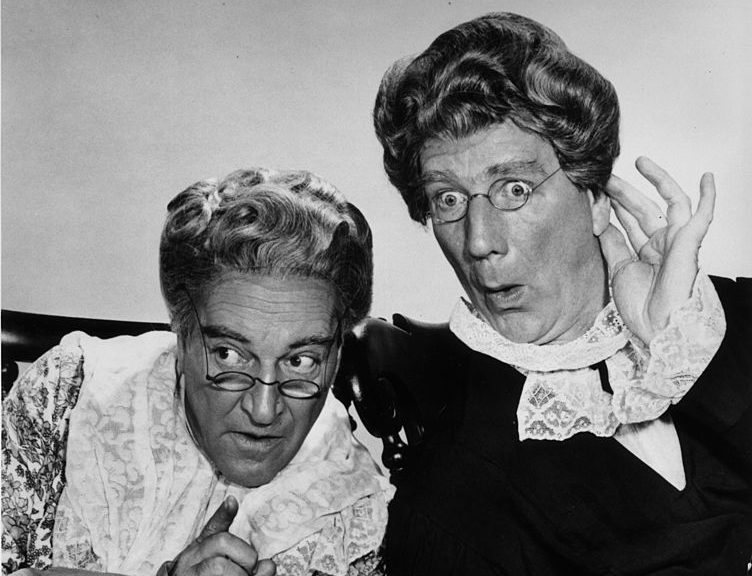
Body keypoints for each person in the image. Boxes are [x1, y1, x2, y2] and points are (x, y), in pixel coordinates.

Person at [370, 11, 752, 575]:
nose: (479, 242)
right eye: (448, 200)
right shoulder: (451, 502)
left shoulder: (723, 322)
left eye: (514, 189)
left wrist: (684, 350)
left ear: (594, 196)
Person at [2, 168, 394, 576]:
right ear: (181, 335)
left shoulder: (351, 508)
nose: (263, 411)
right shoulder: (69, 396)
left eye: (300, 361)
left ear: (337, 352)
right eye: (228, 354)